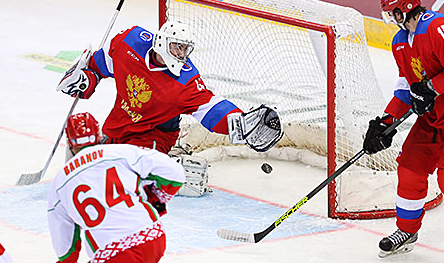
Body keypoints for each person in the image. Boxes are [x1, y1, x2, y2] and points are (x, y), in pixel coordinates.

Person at [58, 18, 283, 162]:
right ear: (162, 42)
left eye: (185, 50)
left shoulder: (185, 82)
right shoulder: (129, 42)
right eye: (177, 47)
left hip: (153, 135)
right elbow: (103, 63)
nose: (181, 55)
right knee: (83, 143)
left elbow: (211, 107)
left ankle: (168, 168)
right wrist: (87, 77)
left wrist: (241, 124)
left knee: (122, 173)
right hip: (119, 125)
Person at [364, 0, 444, 258]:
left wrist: (431, 88)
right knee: (410, 168)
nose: (389, 17)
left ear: (402, 10)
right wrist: (385, 122)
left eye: (391, 11)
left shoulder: (438, 26)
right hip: (434, 117)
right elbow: (404, 90)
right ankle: (407, 230)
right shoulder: (399, 42)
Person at [48, 111, 184, 263]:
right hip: (152, 237)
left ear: (70, 143)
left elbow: (65, 244)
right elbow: (174, 173)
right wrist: (156, 199)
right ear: (98, 135)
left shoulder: (60, 182)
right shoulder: (120, 151)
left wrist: (66, 260)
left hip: (113, 252)